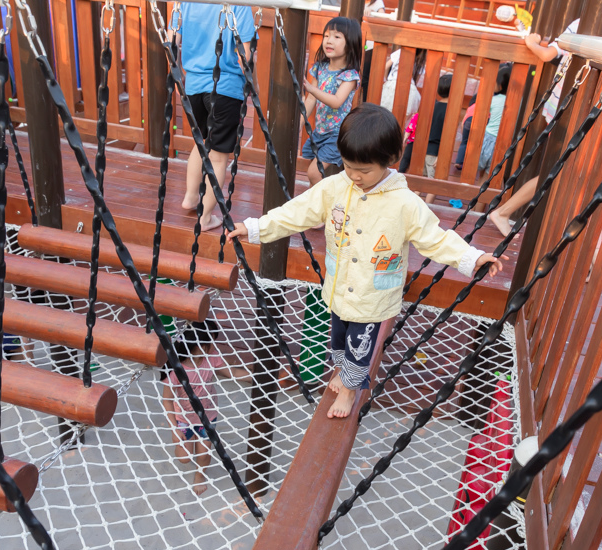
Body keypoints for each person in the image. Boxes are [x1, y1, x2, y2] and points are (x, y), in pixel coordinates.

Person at [227, 105, 506, 418]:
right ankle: (343, 372)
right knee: (337, 343)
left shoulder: (404, 204)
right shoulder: (335, 187)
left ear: (389, 161)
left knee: (360, 349)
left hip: (373, 296)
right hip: (338, 288)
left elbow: (436, 239)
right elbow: (295, 212)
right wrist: (254, 228)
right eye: (349, 166)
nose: (355, 176)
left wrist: (473, 257)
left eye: (365, 170)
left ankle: (349, 389)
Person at [485, 0, 602, 236]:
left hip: (594, 112)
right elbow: (549, 54)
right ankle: (507, 212)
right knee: (561, 169)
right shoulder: (585, 26)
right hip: (572, 109)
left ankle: (508, 212)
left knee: (562, 169)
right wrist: (530, 41)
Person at [179, 3, 256, 231]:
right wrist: (255, 85)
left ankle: (191, 198)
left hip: (193, 85)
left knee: (201, 142)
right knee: (219, 156)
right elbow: (245, 55)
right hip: (225, 87)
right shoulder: (238, 5)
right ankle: (205, 218)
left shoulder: (188, 3)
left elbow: (172, 40)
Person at [162, 320, 225, 495]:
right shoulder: (176, 369)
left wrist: (256, 375)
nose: (215, 345)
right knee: (184, 458)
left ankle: (200, 475)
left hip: (207, 416)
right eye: (212, 341)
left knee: (204, 454)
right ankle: (188, 442)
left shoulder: (211, 359)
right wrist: (174, 429)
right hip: (183, 418)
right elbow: (166, 400)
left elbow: (232, 373)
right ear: (202, 346)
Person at [303, 17, 363, 186]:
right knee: (315, 174)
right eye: (327, 35)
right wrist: (300, 122)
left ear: (350, 43)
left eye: (337, 37)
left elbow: (337, 101)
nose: (329, 41)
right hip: (320, 131)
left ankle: (319, 207)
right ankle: (316, 206)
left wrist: (313, 90)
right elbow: (310, 101)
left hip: (337, 134)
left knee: (314, 173)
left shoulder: (349, 76)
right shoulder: (319, 68)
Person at [399, 74, 453, 204]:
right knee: (434, 184)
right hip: (434, 151)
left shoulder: (432, 106)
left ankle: (413, 203)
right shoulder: (450, 111)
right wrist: (442, 155)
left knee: (422, 181)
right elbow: (447, 136)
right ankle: (427, 207)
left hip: (422, 148)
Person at [479, 64, 513, 176]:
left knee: (478, 169)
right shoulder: (514, 103)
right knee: (488, 174)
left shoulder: (494, 100)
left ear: (501, 85)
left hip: (487, 138)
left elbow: (481, 112)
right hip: (501, 142)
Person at [381, 48, 427, 120]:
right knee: (403, 119)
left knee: (384, 114)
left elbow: (385, 67)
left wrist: (387, 79)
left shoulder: (401, 51)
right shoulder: (421, 59)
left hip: (392, 85)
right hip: (410, 89)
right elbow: (416, 80)